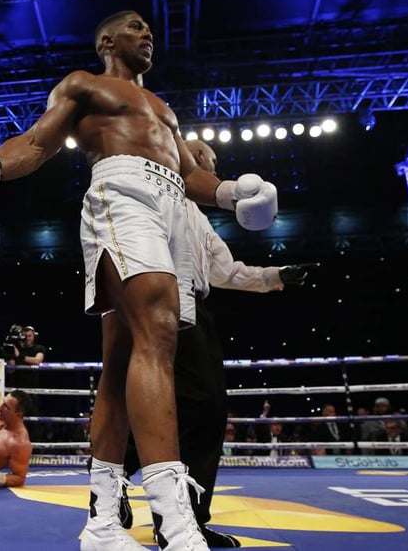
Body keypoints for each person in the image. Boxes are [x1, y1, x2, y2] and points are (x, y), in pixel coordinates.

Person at [0, 10, 278, 551]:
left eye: (148, 28)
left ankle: (103, 522)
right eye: (135, 26)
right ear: (107, 40)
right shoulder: (85, 85)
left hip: (173, 207)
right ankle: (176, 522)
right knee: (158, 333)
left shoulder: (164, 109)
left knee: (120, 362)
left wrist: (234, 195)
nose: (147, 33)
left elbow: (189, 176)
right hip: (124, 193)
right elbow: (36, 143)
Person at [117, 138, 312, 546]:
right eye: (206, 161)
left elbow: (229, 272)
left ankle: (164, 504)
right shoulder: (148, 195)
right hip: (158, 302)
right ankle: (130, 485)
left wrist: (276, 276)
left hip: (196, 310)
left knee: (193, 410)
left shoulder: (200, 220)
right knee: (200, 407)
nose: (212, 170)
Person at [5, 325, 46, 390]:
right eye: (25, 336)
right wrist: (10, 354)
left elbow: (37, 361)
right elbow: (10, 371)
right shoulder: (17, 348)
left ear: (34, 336)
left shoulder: (39, 348)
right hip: (15, 385)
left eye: (30, 336)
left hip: (31, 386)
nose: (27, 338)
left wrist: (20, 356)